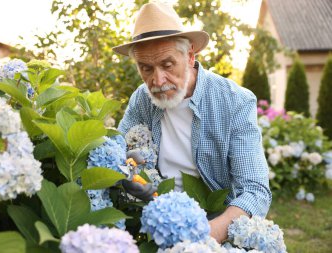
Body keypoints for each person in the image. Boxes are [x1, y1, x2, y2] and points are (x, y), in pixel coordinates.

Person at [113, 2, 271, 243]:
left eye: (167, 65)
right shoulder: (142, 99)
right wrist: (129, 174)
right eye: (146, 68)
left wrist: (205, 236)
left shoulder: (235, 101)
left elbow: (255, 192)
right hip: (155, 223)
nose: (157, 80)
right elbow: (118, 152)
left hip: (215, 225)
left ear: (189, 56)